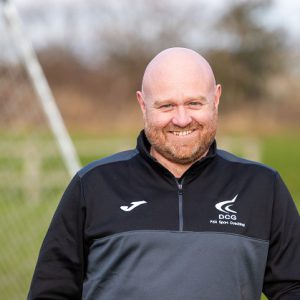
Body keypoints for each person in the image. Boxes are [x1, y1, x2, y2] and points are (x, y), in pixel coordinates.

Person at [28, 48, 300, 300]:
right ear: (143, 104)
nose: (181, 119)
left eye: (194, 103)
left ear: (216, 98)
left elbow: (293, 285)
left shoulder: (262, 186)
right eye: (166, 106)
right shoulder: (93, 184)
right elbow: (52, 291)